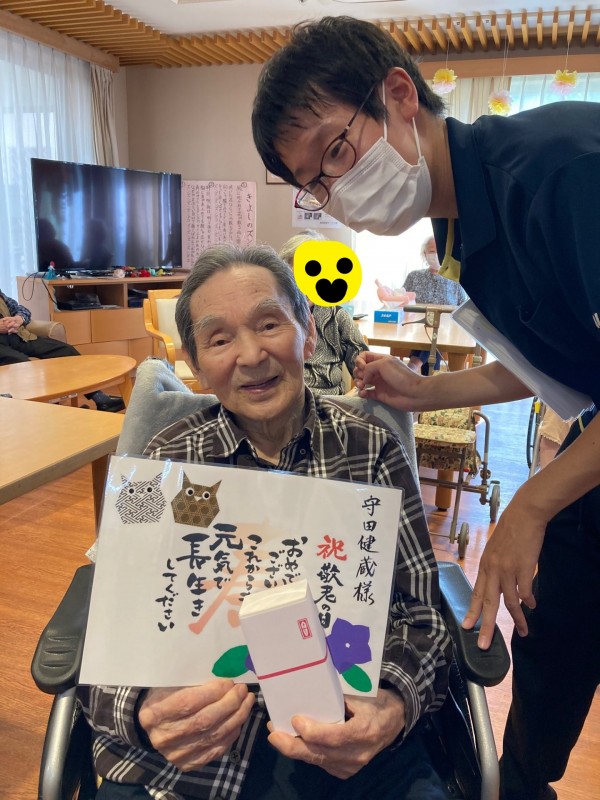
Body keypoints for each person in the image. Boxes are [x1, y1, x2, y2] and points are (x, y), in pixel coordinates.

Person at [251, 16, 600, 800]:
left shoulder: (561, 172)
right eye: (315, 182)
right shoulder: (455, 225)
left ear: (400, 96)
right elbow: (554, 360)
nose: (336, 191)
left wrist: (530, 505)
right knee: (551, 647)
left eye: (336, 152)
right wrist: (426, 391)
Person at [79, 243, 453, 800]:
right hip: (191, 761)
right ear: (196, 364)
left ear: (308, 331)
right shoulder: (162, 464)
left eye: (269, 324)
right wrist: (139, 708)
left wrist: (394, 704)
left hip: (347, 742)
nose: (251, 355)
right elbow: (111, 620)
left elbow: (421, 614)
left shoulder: (371, 450)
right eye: (219, 339)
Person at [0, 289, 124, 412]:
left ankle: (101, 399)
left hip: (17, 336)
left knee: (66, 351)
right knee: (22, 364)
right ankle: (45, 411)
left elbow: (21, 309)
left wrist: (18, 319)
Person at [279, 230, 368, 395]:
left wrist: (351, 396)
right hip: (284, 399)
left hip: (330, 402)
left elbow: (366, 373)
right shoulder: (273, 315)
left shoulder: (336, 315)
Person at [404, 236, 467, 374]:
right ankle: (427, 376)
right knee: (430, 334)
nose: (436, 255)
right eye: (432, 251)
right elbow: (403, 301)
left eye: (440, 251)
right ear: (424, 254)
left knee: (436, 334)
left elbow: (464, 308)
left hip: (446, 331)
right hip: (417, 327)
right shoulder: (414, 276)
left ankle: (414, 365)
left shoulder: (456, 279)